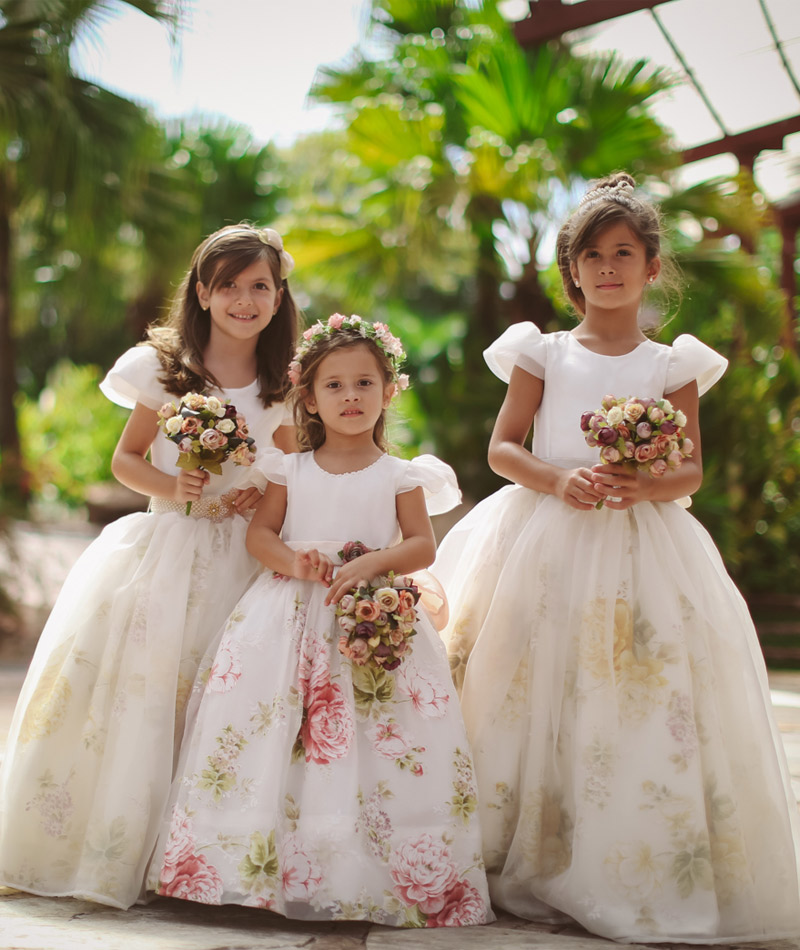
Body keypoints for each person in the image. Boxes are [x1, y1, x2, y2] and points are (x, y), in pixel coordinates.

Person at [432, 173, 800, 943]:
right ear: (571, 270)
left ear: (651, 266)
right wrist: (558, 477)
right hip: (541, 538)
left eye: (624, 253)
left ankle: (624, 853)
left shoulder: (671, 365)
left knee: (631, 687)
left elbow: (690, 469)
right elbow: (502, 448)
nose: (608, 267)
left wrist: (644, 482)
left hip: (643, 546)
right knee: (527, 685)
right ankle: (510, 849)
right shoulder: (544, 352)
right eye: (592, 255)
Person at [146, 314, 493, 928]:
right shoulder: (290, 469)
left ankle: (362, 870)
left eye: (365, 383)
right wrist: (296, 562)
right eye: (333, 385)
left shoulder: (403, 475)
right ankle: (256, 871)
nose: (350, 397)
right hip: (287, 616)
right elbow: (260, 536)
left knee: (375, 740)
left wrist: (374, 565)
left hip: (371, 618)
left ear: (390, 391)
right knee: (278, 732)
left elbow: (421, 546)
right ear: (306, 395)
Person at [0, 224, 300, 910]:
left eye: (261, 287)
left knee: (223, 700)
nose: (245, 301)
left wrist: (266, 486)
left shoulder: (284, 380)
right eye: (229, 286)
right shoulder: (166, 368)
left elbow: (291, 461)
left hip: (245, 559)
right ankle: (127, 845)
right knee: (146, 694)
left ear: (280, 295)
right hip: (170, 551)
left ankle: (202, 849)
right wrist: (176, 487)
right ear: (202, 292)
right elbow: (125, 459)